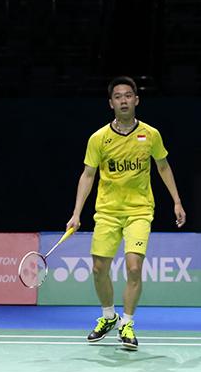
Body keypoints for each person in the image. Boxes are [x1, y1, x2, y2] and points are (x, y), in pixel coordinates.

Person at [66, 76, 186, 351]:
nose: (123, 100)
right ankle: (109, 317)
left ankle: (128, 323)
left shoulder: (151, 135)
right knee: (99, 269)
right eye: (118, 96)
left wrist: (177, 202)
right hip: (107, 211)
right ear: (111, 103)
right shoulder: (99, 139)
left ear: (136, 100)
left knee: (134, 266)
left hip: (139, 210)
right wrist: (76, 213)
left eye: (128, 95)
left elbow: (163, 167)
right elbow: (88, 175)